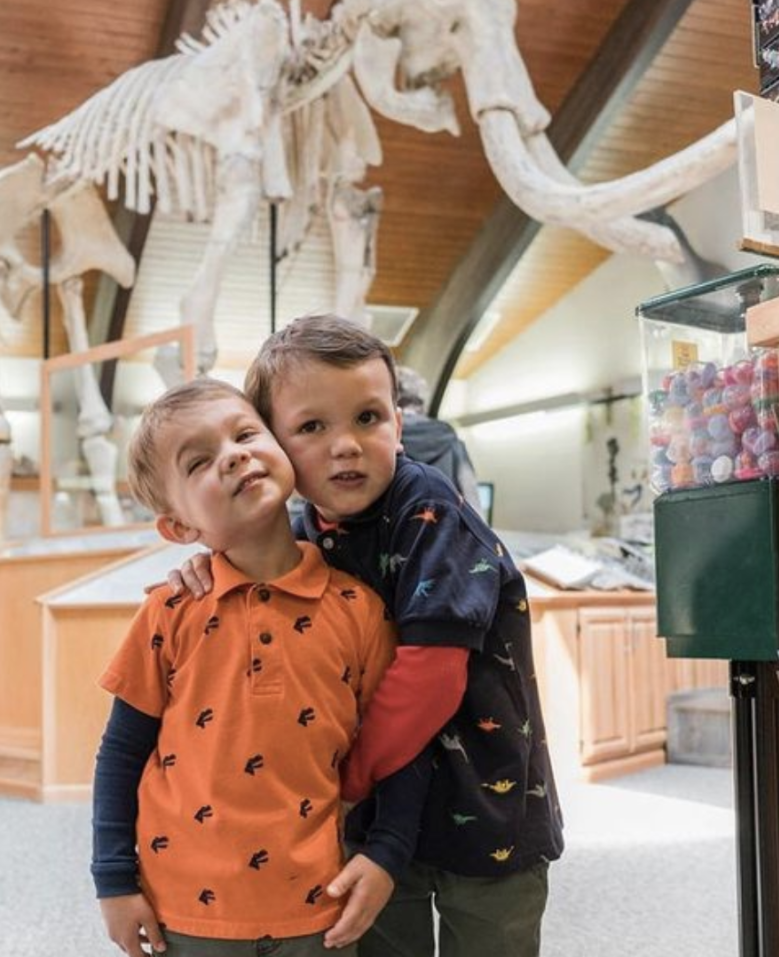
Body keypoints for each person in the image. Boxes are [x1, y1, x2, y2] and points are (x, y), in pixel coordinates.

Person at [173, 316, 564, 957]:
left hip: (484, 802)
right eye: (311, 427)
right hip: (379, 822)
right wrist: (208, 561)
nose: (346, 445)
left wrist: (345, 779)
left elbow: (430, 677)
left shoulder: (428, 509)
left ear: (398, 424)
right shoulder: (302, 530)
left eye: (367, 418)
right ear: (275, 445)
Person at [92, 377, 431, 957]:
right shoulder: (168, 611)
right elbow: (122, 753)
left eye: (246, 434)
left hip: (319, 907)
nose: (233, 455)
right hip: (184, 910)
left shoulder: (360, 610)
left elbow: (399, 747)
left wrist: (385, 853)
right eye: (199, 462)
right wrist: (114, 881)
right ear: (179, 528)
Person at [394, 364, 484, 515]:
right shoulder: (450, 438)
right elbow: (471, 498)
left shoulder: (385, 438)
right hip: (445, 530)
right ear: (422, 399)